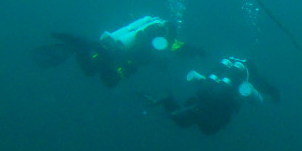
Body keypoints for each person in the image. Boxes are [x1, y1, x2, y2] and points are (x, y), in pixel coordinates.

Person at [32, 16, 204, 87]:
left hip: (117, 49)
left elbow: (178, 48)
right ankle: (84, 44)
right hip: (123, 56)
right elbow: (152, 50)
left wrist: (195, 51)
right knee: (106, 76)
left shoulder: (158, 32)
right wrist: (162, 60)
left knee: (90, 71)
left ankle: (79, 46)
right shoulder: (161, 37)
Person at [153, 56, 280, 135]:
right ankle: (188, 112)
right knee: (208, 129)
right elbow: (262, 85)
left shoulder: (222, 70)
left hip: (203, 98)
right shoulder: (248, 73)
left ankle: (174, 105)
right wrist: (274, 92)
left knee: (192, 118)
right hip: (218, 104)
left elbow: (207, 78)